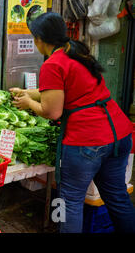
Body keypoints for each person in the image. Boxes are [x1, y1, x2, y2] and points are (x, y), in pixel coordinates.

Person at [10, 12, 135, 233]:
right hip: (118, 134)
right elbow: (61, 92)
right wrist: (27, 92)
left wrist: (29, 103)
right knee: (117, 197)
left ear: (39, 39)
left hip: (87, 142)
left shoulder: (52, 64)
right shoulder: (77, 52)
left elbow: (52, 111)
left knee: (69, 203)